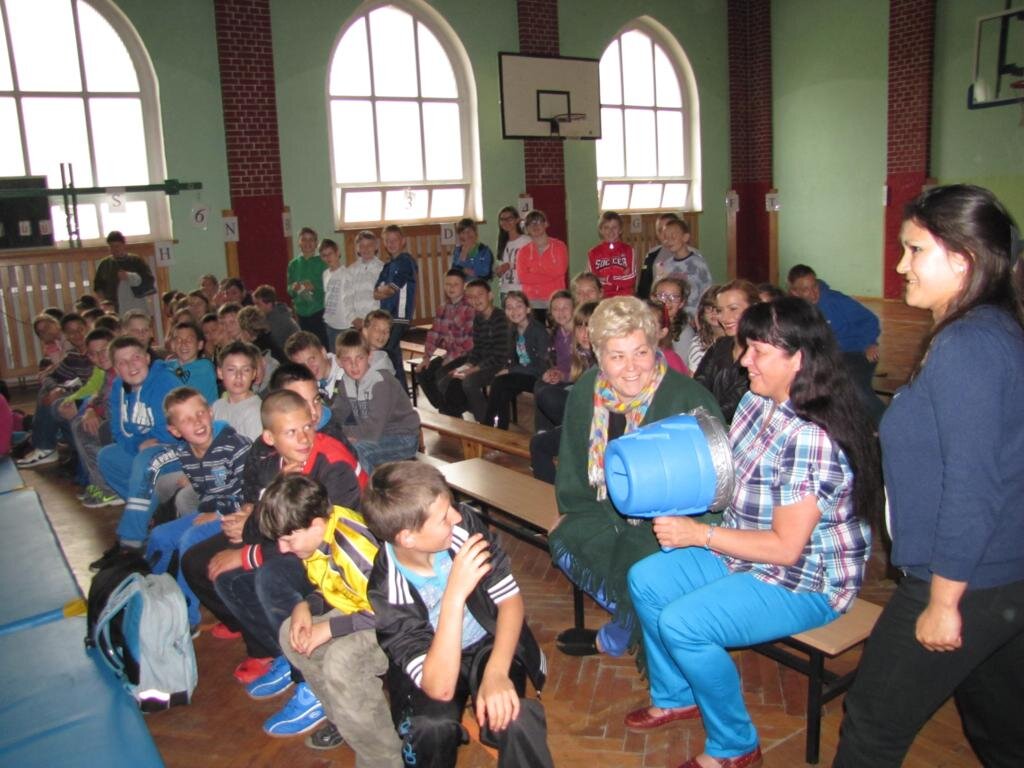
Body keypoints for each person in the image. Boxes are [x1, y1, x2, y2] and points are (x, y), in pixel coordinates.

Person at [627, 297, 880, 768]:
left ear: (798, 359)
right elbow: (726, 476)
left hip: (806, 581)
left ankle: (734, 745)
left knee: (685, 623)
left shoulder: (810, 436)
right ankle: (677, 695)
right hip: (745, 549)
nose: (743, 360)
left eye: (758, 351)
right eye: (746, 348)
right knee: (646, 579)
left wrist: (697, 535)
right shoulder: (755, 401)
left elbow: (785, 549)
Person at [834, 185, 1024, 767]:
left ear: (962, 259)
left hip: (965, 578)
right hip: (998, 575)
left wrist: (943, 600)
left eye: (914, 250)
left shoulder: (970, 343)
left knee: (872, 726)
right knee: (1001, 729)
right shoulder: (985, 330)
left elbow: (973, 483)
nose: (900, 266)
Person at [548, 296, 722, 658]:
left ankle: (627, 631)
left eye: (641, 353)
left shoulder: (688, 401)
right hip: (604, 509)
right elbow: (575, 470)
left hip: (671, 526)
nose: (631, 368)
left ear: (655, 348)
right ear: (598, 356)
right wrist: (574, 511)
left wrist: (686, 531)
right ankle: (633, 620)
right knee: (564, 537)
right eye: (617, 356)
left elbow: (716, 494)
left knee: (642, 572)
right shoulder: (587, 391)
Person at [363, 461, 555, 768]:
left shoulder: (462, 526)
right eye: (443, 517)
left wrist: (496, 671)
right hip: (434, 660)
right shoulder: (387, 590)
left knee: (514, 715)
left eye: (451, 505)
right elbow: (439, 687)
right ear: (407, 538)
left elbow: (509, 599)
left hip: (486, 642)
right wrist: (454, 594)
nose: (456, 516)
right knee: (429, 728)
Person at [258, 474, 404, 764]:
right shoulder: (317, 535)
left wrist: (330, 628)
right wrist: (306, 605)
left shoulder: (353, 549)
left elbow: (391, 610)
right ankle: (347, 721)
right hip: (361, 609)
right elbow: (335, 585)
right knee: (291, 632)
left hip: (395, 625)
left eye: (288, 539)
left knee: (342, 662)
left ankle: (384, 757)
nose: (283, 549)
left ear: (315, 524)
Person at [145, 387, 252, 628]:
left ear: (211, 412)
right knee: (159, 535)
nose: (197, 422)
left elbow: (252, 494)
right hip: (211, 512)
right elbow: (205, 492)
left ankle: (186, 616)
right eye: (186, 420)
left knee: (190, 540)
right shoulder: (185, 454)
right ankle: (156, 595)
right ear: (175, 431)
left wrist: (219, 513)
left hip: (238, 515)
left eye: (200, 413)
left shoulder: (236, 447)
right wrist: (210, 510)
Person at [91, 335, 181, 563]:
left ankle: (131, 542)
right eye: (122, 362)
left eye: (136, 358)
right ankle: (147, 515)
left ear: (147, 358)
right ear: (115, 369)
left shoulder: (166, 382)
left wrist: (144, 444)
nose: (131, 365)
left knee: (146, 461)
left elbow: (173, 431)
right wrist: (138, 444)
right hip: (148, 450)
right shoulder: (118, 388)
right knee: (107, 457)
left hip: (180, 450)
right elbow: (118, 431)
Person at [787, 264, 886, 426]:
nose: (813, 293)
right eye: (805, 290)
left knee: (853, 387)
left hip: (854, 352)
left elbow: (870, 320)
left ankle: (886, 424)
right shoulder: (795, 310)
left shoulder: (836, 301)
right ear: (795, 292)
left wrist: (869, 343)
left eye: (815, 286)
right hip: (825, 357)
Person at [331, 330, 420, 473]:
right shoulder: (346, 382)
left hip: (402, 437)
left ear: (369, 356)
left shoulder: (381, 381)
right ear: (339, 362)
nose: (354, 365)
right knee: (335, 447)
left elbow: (372, 431)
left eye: (359, 358)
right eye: (347, 360)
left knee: (355, 450)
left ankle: (371, 486)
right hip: (376, 434)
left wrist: (344, 433)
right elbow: (337, 413)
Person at [441, 279, 509, 421]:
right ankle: (461, 414)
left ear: (490, 296)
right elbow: (477, 349)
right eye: (471, 297)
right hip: (482, 362)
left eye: (480, 295)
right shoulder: (478, 318)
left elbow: (500, 355)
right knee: (446, 380)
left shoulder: (500, 318)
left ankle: (485, 421)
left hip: (499, 365)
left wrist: (473, 370)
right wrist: (466, 366)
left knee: (468, 382)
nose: (476, 300)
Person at [694, 280, 761, 423]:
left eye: (733, 309)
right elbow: (697, 388)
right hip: (708, 425)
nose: (724, 318)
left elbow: (736, 405)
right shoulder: (720, 346)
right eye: (720, 311)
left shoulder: (762, 353)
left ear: (754, 308)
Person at [484, 291, 548, 429]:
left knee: (500, 383)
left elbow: (542, 367)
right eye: (509, 307)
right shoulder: (513, 330)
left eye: (518, 306)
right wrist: (506, 369)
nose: (514, 311)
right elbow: (511, 358)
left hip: (538, 376)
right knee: (501, 390)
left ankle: (487, 427)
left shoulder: (539, 331)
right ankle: (500, 429)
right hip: (521, 374)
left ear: (528, 309)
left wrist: (510, 370)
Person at [415, 269, 475, 412]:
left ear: (464, 286)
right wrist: (426, 357)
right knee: (422, 372)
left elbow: (470, 342)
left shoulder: (470, 308)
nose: (451, 288)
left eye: (456, 284)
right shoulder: (442, 308)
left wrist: (450, 359)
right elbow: (434, 334)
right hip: (451, 355)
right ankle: (446, 408)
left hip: (468, 355)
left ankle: (450, 410)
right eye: (448, 284)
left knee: (442, 375)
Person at [373, 224, 418, 386]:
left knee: (387, 352)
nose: (391, 244)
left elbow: (391, 290)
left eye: (394, 240)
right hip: (387, 316)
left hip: (399, 316)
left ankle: (397, 391)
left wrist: (384, 290)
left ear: (403, 241)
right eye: (387, 240)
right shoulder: (388, 265)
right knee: (392, 354)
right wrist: (382, 291)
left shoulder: (405, 261)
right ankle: (401, 392)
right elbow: (376, 292)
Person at [651, 218, 712, 323]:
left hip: (694, 317)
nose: (669, 241)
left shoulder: (698, 263)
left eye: (673, 236)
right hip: (672, 316)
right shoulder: (665, 265)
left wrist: (701, 315)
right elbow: (656, 291)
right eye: (665, 238)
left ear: (685, 237)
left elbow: (707, 290)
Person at [532, 289, 576, 432]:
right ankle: (543, 430)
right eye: (556, 308)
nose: (560, 312)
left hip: (577, 380)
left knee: (546, 393)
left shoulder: (581, 334)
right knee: (540, 383)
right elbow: (554, 361)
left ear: (574, 309)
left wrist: (563, 376)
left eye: (565, 308)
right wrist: (552, 371)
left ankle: (565, 429)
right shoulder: (555, 332)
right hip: (563, 377)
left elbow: (585, 371)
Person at [517, 209, 568, 320]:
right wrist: (550, 273)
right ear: (526, 229)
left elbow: (560, 271)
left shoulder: (559, 246)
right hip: (532, 302)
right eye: (530, 223)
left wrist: (534, 272)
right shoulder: (523, 252)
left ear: (546, 224)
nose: (535, 225)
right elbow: (522, 277)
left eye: (538, 221)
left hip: (556, 300)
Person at [92, 231, 155, 314]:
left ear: (124, 245)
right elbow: (98, 287)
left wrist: (130, 277)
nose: (115, 249)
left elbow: (149, 281)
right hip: (113, 307)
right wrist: (104, 302)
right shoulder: (105, 264)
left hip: (135, 304)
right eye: (111, 246)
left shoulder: (136, 261)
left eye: (117, 246)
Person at [213, 341, 263, 441]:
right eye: (231, 369)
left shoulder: (256, 410)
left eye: (246, 370)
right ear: (220, 372)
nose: (238, 376)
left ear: (254, 374)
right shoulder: (217, 406)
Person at [287, 226, 328, 346]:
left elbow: (329, 287)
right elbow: (288, 288)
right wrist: (293, 288)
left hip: (320, 310)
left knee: (321, 345)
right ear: (299, 242)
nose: (307, 243)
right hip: (301, 312)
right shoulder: (293, 264)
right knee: (306, 346)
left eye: (311, 240)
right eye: (304, 239)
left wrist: (314, 287)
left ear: (316, 243)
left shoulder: (323, 262)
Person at [285, 330, 343, 405]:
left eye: (311, 359)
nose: (309, 368)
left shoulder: (346, 372)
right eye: (302, 366)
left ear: (323, 352)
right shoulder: (303, 383)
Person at [341, 230, 383, 330]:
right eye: (362, 246)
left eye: (369, 245)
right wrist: (353, 318)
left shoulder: (383, 269)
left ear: (376, 246)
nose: (366, 248)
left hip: (377, 319)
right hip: (357, 321)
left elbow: (383, 296)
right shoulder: (350, 270)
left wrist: (375, 319)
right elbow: (346, 297)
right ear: (357, 249)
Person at [588, 211, 636, 297]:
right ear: (601, 230)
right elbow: (593, 281)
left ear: (620, 230)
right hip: (603, 298)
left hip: (625, 296)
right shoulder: (593, 253)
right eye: (606, 227)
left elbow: (631, 279)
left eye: (614, 227)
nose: (610, 231)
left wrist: (607, 279)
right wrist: (620, 279)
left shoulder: (628, 250)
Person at [167, 321, 218, 403]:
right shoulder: (167, 367)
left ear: (200, 345)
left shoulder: (204, 367)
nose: (184, 344)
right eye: (179, 340)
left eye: (189, 340)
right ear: (173, 345)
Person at [636, 212, 681, 299]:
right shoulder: (652, 255)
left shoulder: (693, 256)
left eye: (668, 229)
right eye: (660, 230)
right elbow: (644, 287)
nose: (664, 234)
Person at [651, 274, 696, 360]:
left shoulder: (684, 332)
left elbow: (680, 365)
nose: (668, 301)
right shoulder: (643, 324)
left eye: (674, 297)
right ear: (653, 298)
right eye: (663, 296)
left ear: (681, 303)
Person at [495, 205, 529, 302]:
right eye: (502, 219)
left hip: (521, 289)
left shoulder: (526, 240)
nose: (505, 222)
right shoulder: (502, 242)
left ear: (517, 220)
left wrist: (510, 265)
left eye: (509, 219)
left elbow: (530, 265)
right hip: (505, 289)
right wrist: (498, 270)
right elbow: (500, 265)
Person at [253, 284, 300, 353]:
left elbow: (276, 347)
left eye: (258, 304)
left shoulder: (279, 319)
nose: (255, 307)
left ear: (269, 304)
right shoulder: (272, 314)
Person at [320, 238, 348, 349]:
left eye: (330, 254)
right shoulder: (325, 274)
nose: (328, 258)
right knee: (333, 353)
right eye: (324, 255)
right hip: (330, 323)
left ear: (337, 253)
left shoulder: (346, 273)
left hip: (344, 324)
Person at [687, 285, 722, 372]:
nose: (713, 313)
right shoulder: (698, 342)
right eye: (709, 308)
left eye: (718, 309)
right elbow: (693, 375)